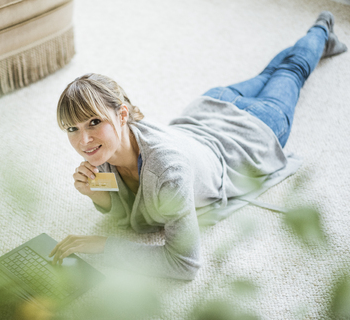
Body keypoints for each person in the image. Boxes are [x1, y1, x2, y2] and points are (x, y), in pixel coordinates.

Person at [49, 12, 347, 280]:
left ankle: (321, 28)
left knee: (291, 71)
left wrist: (103, 245)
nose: (83, 140)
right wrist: (96, 195)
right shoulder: (103, 151)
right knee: (269, 74)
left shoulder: (168, 170)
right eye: (72, 128)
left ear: (123, 114)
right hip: (211, 104)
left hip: (253, 129)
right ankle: (316, 42)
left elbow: (184, 264)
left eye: (93, 122)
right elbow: (126, 209)